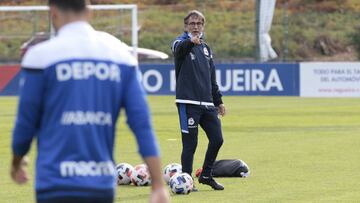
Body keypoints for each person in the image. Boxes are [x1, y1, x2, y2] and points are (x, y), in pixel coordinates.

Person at [10, 1, 170, 203]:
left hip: (54, 183)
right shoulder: (122, 58)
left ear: (53, 13)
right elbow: (142, 123)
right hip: (100, 184)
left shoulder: (40, 57)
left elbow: (26, 122)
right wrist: (157, 184)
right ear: (89, 12)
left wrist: (17, 163)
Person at [171, 10, 225, 191]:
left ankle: (206, 175)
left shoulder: (206, 49)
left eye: (199, 24)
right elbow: (178, 51)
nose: (195, 27)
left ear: (203, 26)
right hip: (188, 103)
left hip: (208, 104)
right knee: (190, 145)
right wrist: (189, 42)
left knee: (217, 139)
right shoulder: (180, 42)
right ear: (186, 26)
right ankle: (187, 180)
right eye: (192, 24)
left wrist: (219, 101)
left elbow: (212, 79)